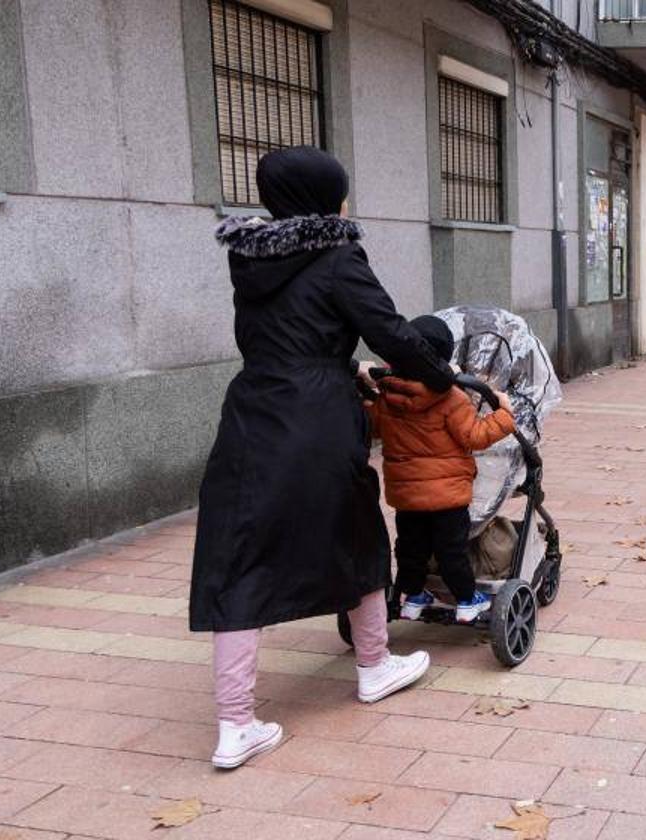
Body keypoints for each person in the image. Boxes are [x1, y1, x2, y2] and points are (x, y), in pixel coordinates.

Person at [189, 147, 456, 770]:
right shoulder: (338, 255)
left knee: (240, 552)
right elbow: (390, 330)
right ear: (325, 197)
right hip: (317, 417)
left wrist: (338, 363)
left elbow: (288, 333)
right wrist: (442, 378)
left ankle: (235, 726)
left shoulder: (248, 259)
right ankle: (374, 665)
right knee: (356, 533)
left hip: (253, 410)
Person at [366, 315, 516, 624]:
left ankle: (413, 596)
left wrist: (367, 398)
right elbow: (475, 436)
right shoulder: (450, 398)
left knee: (410, 548)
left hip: (406, 495)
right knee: (452, 551)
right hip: (447, 497)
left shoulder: (389, 395)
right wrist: (503, 414)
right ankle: (466, 600)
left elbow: (374, 427)